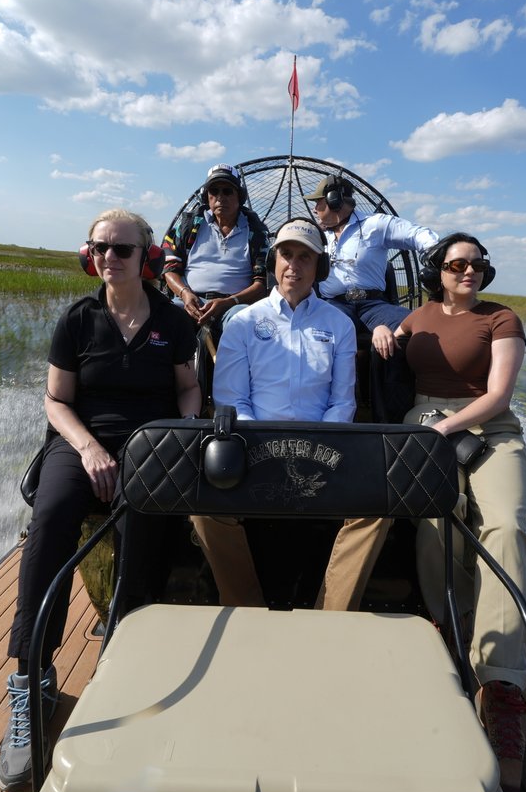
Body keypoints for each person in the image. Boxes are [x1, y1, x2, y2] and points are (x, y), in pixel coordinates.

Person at [0, 209, 200, 792]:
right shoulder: (78, 320)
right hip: (80, 439)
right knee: (52, 517)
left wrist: (178, 435)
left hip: (151, 441)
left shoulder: (170, 320)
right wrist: (87, 449)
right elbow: (56, 401)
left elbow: (188, 387)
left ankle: (122, 656)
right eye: (100, 248)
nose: (110, 258)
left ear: (146, 259)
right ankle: (31, 677)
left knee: (148, 515)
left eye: (122, 249)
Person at [394, 232, 526, 792]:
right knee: (437, 517)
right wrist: (383, 330)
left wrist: (445, 429)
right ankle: (448, 626)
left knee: (505, 527)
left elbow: (499, 396)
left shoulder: (502, 319)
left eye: (477, 264)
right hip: (424, 420)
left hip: (488, 431)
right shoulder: (417, 317)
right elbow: (389, 330)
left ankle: (502, 680)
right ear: (438, 270)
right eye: (457, 264)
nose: (469, 271)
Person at [196, 218, 387, 610]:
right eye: (286, 255)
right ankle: (244, 606)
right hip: (253, 448)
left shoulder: (340, 324)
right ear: (272, 261)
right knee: (202, 511)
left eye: (305, 257)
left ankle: (328, 612)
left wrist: (316, 444)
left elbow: (342, 402)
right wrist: (268, 445)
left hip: (324, 449)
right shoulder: (244, 323)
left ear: (320, 268)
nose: (293, 266)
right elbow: (232, 401)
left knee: (379, 510)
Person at [307, 174, 438, 358]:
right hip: (335, 305)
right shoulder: (316, 236)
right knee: (318, 333)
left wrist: (436, 257)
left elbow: (418, 234)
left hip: (374, 307)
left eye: (318, 202)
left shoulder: (375, 225)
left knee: (420, 328)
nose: (314, 209)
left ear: (334, 201)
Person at [162, 163, 270, 343]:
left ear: (239, 197)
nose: (220, 197)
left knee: (241, 320)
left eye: (227, 191)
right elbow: (170, 267)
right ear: (207, 197)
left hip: (234, 306)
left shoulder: (256, 232)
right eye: (214, 191)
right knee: (164, 316)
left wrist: (229, 302)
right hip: (190, 301)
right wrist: (185, 294)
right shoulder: (189, 224)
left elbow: (262, 282)